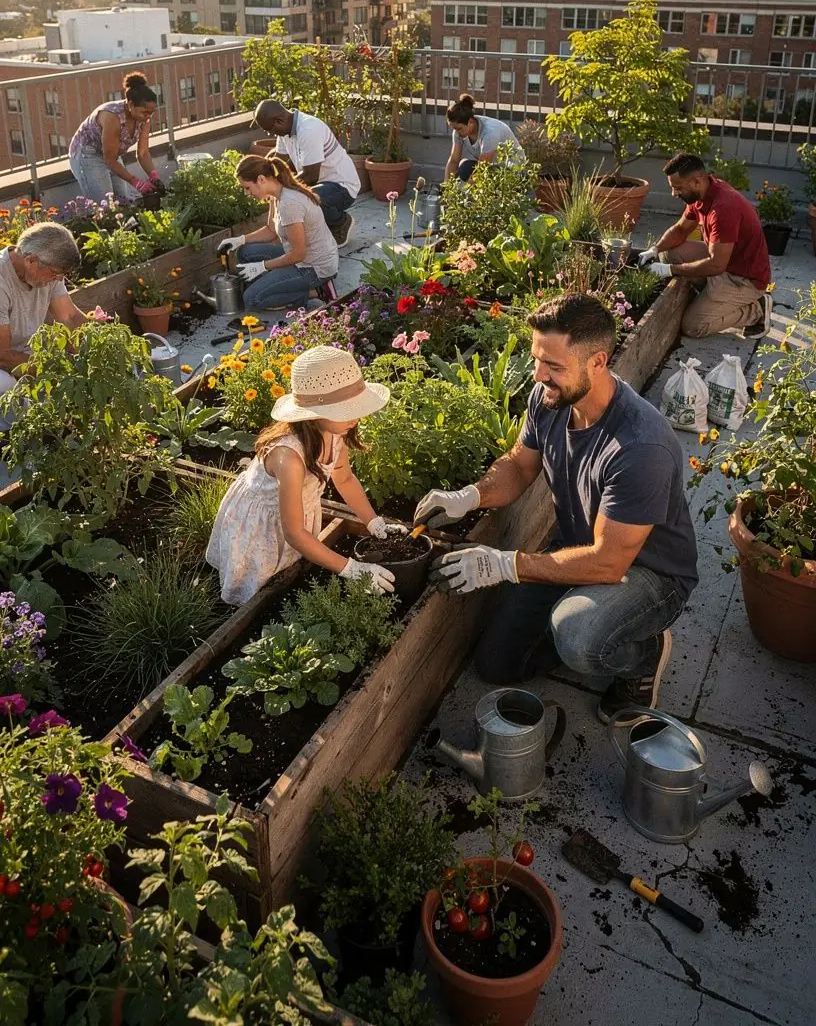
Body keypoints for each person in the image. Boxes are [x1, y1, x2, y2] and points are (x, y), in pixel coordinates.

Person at [414, 294, 698, 726]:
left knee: (579, 637)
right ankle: (579, 612)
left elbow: (607, 562)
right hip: (580, 548)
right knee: (497, 665)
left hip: (647, 573)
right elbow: (518, 465)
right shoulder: (550, 398)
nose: (539, 375)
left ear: (598, 362)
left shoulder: (640, 447)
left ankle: (642, 651)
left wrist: (504, 565)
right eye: (537, 360)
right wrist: (468, 496)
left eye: (555, 367)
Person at [206, 345, 405, 604]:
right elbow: (294, 533)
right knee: (259, 584)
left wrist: (373, 523)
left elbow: (343, 479)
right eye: (346, 409)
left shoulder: (335, 433)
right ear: (312, 415)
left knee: (291, 570)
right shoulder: (289, 456)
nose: (356, 417)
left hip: (295, 518)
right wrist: (351, 568)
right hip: (264, 523)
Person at [638, 153, 771, 339]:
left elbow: (717, 265)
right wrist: (655, 249)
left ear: (696, 181)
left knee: (693, 326)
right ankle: (709, 299)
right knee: (670, 252)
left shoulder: (723, 209)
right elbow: (680, 230)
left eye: (678, 188)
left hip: (743, 278)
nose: (674, 193)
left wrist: (670, 270)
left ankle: (756, 311)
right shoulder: (703, 193)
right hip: (724, 260)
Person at [218, 155, 339, 312]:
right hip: (300, 258)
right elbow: (271, 231)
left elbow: (298, 255)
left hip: (314, 267)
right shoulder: (278, 195)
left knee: (252, 299)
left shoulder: (290, 203)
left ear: (261, 179)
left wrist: (263, 266)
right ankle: (278, 284)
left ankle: (318, 291)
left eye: (247, 188)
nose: (247, 193)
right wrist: (240, 240)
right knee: (245, 252)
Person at [0, 223, 88, 415]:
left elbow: (70, 317)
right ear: (30, 261)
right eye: (55, 274)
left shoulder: (47, 270)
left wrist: (100, 341)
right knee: (5, 387)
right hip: (3, 359)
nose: (58, 279)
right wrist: (53, 370)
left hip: (24, 351)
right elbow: (3, 355)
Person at [252, 99, 359, 245]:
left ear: (279, 120)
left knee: (304, 198)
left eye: (270, 130)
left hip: (342, 186)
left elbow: (310, 176)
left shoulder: (308, 130)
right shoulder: (285, 131)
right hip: (322, 184)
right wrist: (258, 178)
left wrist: (279, 190)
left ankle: (340, 222)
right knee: (293, 196)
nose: (271, 134)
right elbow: (279, 162)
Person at [69, 71, 162, 205]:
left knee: (124, 201)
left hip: (111, 154)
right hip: (87, 154)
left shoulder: (144, 119)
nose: (148, 116)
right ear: (130, 105)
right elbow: (109, 159)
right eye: (145, 112)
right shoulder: (113, 117)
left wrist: (154, 176)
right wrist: (136, 182)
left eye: (151, 112)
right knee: (105, 204)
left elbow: (143, 153)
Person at [444, 94, 525, 181]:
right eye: (454, 128)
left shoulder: (490, 133)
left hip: (513, 172)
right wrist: (446, 189)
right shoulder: (459, 131)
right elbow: (454, 161)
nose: (456, 132)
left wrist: (464, 193)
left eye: (459, 129)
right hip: (493, 167)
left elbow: (481, 170)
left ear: (470, 122)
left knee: (471, 173)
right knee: (465, 167)